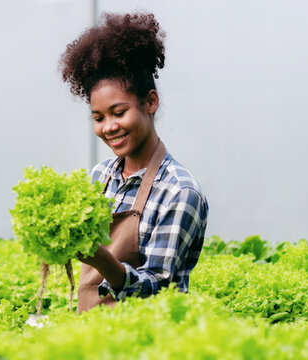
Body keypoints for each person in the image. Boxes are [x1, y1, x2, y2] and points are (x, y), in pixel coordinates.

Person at [59, 12, 209, 313]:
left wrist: (102, 259)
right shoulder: (100, 177)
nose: (109, 127)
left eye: (119, 112)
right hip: (85, 337)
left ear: (150, 102)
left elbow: (158, 292)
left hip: (144, 343)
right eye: (98, 117)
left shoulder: (179, 192)